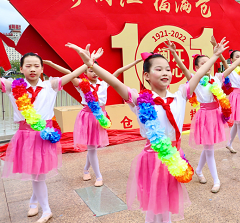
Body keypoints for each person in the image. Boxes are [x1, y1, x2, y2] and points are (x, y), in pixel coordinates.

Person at [67, 41, 229, 223]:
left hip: (174, 156)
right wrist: (91, 65)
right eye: (158, 69)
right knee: (153, 208)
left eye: (167, 69)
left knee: (167, 206)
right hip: (152, 158)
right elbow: (114, 82)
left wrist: (215, 56)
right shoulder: (140, 100)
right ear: (146, 75)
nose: (165, 73)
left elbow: (199, 73)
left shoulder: (180, 95)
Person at [1, 52, 87, 223]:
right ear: (21, 68)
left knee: (38, 173)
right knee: (36, 172)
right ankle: (36, 203)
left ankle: (44, 208)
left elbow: (73, 75)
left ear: (42, 69)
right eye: (28, 66)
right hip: (25, 136)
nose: (32, 69)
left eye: (36, 66)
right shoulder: (12, 86)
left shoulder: (51, 85)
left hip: (44, 135)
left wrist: (87, 63)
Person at [43, 54, 142, 187]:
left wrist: (136, 61)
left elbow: (119, 71)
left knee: (92, 147)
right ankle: (99, 176)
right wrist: (51, 64)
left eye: (95, 70)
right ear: (85, 72)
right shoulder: (81, 84)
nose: (94, 73)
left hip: (100, 117)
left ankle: (85, 169)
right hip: (87, 117)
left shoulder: (104, 83)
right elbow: (69, 73)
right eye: (90, 70)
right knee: (92, 148)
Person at [174, 41, 240, 193]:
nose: (207, 65)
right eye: (203, 63)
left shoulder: (217, 78)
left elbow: (232, 66)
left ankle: (198, 170)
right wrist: (174, 54)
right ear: (197, 68)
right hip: (204, 117)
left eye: (208, 62)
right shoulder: (196, 80)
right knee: (209, 148)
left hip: (216, 116)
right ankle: (216, 180)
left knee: (208, 146)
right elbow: (184, 68)